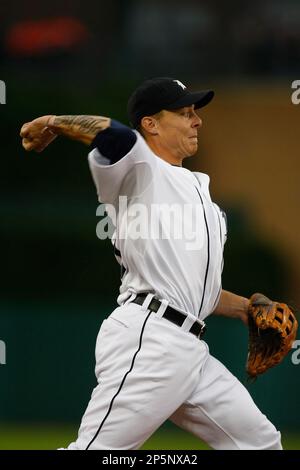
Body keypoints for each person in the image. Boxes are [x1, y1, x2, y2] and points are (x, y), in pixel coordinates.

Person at [20, 77, 282, 450]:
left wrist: (245, 308)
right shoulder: (138, 169)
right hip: (151, 337)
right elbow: (112, 136)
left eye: (196, 113)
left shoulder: (198, 191)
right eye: (185, 112)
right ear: (151, 124)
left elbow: (194, 287)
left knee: (261, 444)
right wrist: (52, 122)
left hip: (191, 349)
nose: (197, 121)